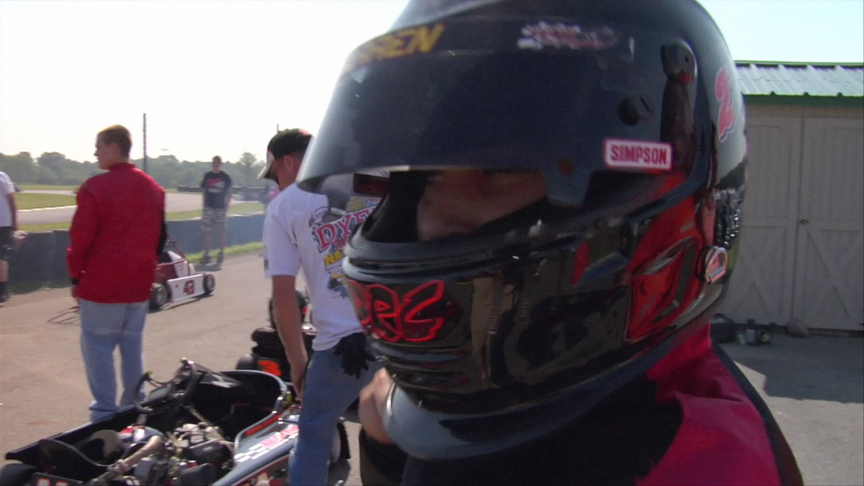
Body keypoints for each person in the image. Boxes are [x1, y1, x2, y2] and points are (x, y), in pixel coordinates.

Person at [294, 1, 804, 485]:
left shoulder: (703, 460)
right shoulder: (478, 403)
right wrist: (389, 448)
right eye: (428, 181)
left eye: (500, 171)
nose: (435, 220)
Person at [260, 128, 381, 485]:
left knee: (313, 435)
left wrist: (298, 362)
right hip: (394, 334)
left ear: (288, 162)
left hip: (339, 348)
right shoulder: (371, 181)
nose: (277, 184)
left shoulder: (283, 207)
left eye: (275, 174)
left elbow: (283, 296)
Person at [67, 125, 166, 422]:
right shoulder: (153, 188)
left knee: (98, 347)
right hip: (138, 283)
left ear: (114, 147)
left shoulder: (95, 188)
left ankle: (104, 411)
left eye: (99, 146)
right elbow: (160, 236)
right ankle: (134, 406)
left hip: (102, 283)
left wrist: (75, 277)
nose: (95, 152)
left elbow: (81, 238)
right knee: (132, 345)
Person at [199, 155, 232, 265]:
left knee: (220, 231)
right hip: (209, 207)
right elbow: (204, 192)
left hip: (220, 207)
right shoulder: (208, 176)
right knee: (206, 231)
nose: (215, 165)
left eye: (217, 163)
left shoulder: (225, 177)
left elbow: (229, 193)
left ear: (220, 164)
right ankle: (207, 254)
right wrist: (204, 205)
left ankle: (221, 253)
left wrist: (226, 207)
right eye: (214, 163)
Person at [0, 170, 18, 303]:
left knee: (1, 257)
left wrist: (14, 220)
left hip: (3, 223)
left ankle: (3, 288)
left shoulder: (1, 177)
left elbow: (11, 199)